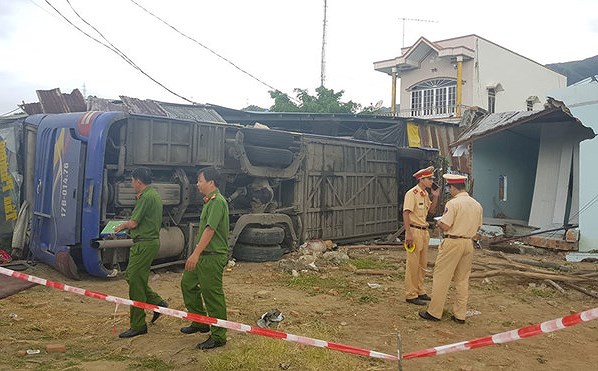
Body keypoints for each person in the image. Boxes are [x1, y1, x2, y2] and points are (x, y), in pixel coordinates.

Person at [419, 174, 483, 324]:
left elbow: (446, 225)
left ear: (453, 188)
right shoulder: (477, 205)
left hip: (453, 242)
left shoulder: (453, 204)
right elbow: (478, 228)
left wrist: (439, 223)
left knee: (442, 277)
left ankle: (434, 312)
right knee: (462, 280)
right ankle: (460, 315)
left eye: (449, 188)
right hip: (468, 243)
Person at [114, 167, 168, 338]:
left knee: (135, 280)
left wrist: (121, 225)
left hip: (143, 244)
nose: (131, 184)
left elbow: (134, 223)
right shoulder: (154, 195)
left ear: (138, 181)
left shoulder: (146, 197)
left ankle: (138, 324)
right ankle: (158, 303)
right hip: (148, 243)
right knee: (134, 277)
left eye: (132, 181)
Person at [180, 167, 229, 350]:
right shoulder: (209, 202)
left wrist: (195, 253)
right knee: (188, 284)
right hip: (204, 256)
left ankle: (219, 336)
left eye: (200, 180)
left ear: (211, 182)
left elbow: (210, 230)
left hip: (212, 256)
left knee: (212, 295)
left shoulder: (217, 202)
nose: (197, 184)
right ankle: (199, 321)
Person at [403, 166, 439, 306]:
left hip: (424, 231)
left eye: (431, 179)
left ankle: (420, 289)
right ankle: (410, 294)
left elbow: (432, 211)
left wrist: (435, 197)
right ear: (421, 179)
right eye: (429, 179)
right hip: (414, 230)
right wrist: (408, 233)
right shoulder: (412, 193)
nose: (431, 181)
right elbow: (406, 213)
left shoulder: (424, 194)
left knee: (422, 263)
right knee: (413, 263)